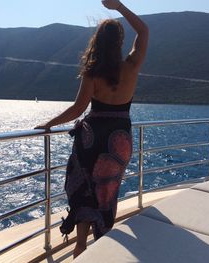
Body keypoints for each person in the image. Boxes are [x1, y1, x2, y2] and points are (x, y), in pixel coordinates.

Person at [35, 0, 148, 258]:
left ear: (97, 42)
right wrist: (119, 7)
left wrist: (49, 124)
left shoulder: (92, 73)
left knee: (85, 188)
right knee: (107, 190)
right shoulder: (131, 67)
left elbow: (77, 109)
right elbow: (144, 31)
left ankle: (81, 244)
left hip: (91, 139)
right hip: (118, 140)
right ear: (119, 42)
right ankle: (102, 244)